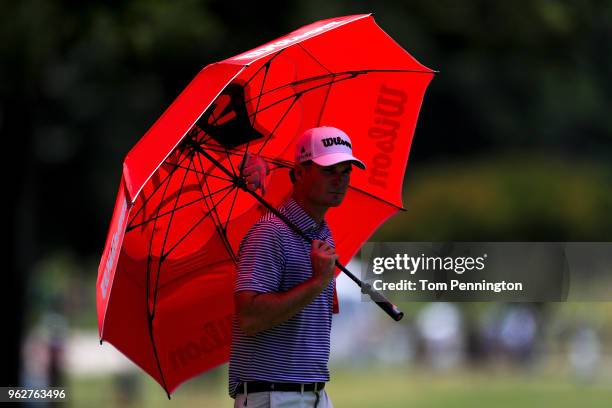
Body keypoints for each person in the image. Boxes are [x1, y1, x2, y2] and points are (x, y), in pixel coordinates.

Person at [229, 126, 366, 408]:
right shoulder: (269, 233)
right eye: (329, 170)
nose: (340, 181)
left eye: (346, 171)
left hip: (314, 394)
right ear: (300, 173)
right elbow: (250, 318)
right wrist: (317, 283)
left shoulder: (322, 234)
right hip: (273, 396)